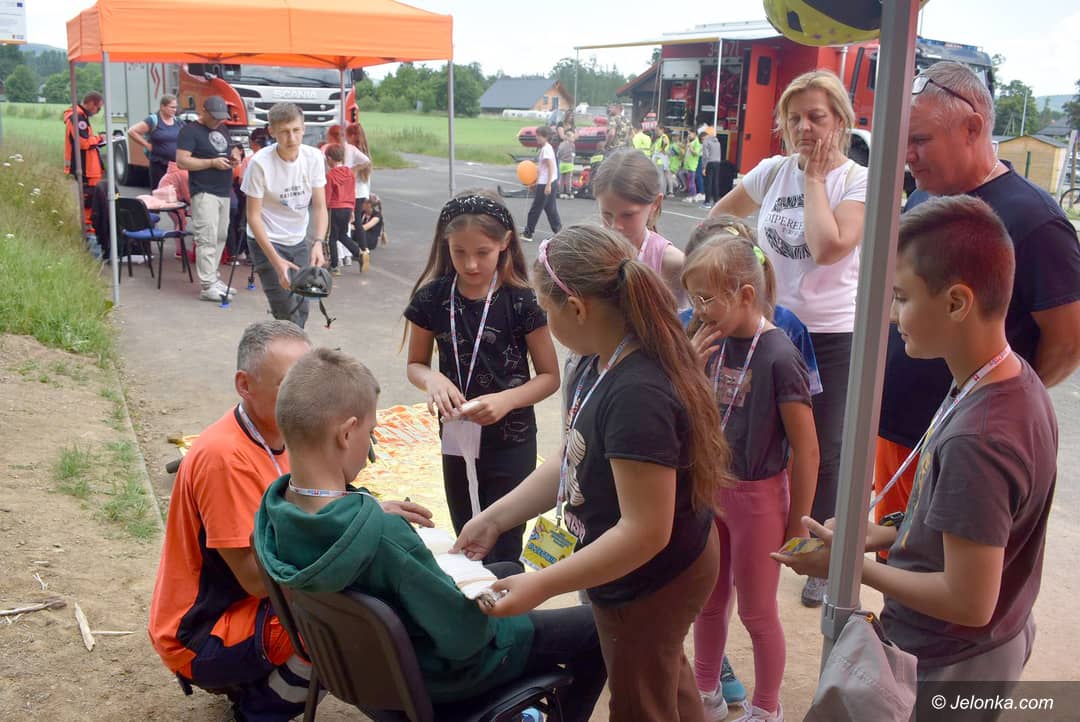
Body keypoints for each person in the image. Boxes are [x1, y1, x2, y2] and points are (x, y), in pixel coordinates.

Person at [775, 195, 1057, 709]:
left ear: (956, 303)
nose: (890, 315)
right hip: (984, 641)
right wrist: (877, 535)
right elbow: (965, 529)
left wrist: (846, 566)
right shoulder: (1002, 376)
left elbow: (969, 601)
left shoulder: (980, 438)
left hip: (951, 660)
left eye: (901, 297)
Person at [453, 225, 732, 721]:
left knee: (640, 701)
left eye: (546, 307)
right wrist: (495, 518)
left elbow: (645, 532)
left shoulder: (637, 393)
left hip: (652, 574)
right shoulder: (597, 362)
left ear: (577, 308)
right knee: (661, 674)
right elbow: (572, 456)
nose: (545, 318)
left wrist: (543, 585)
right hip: (632, 565)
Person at [253, 347, 606, 720]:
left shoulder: (276, 513)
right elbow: (466, 636)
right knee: (595, 627)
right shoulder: (384, 535)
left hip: (367, 671)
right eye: (371, 433)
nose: (370, 445)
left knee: (506, 569)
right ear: (346, 433)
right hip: (440, 678)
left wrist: (369, 508)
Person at [148, 320, 432, 721]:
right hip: (202, 631)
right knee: (339, 624)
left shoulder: (288, 434)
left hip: (245, 607)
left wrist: (370, 512)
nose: (305, 395)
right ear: (244, 385)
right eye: (289, 384)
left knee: (351, 599)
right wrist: (356, 535)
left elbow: (319, 512)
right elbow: (253, 579)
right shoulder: (224, 459)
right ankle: (258, 709)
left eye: (307, 380)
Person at [873, 61, 1080, 540]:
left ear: (972, 127)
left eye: (919, 139)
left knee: (943, 569)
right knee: (899, 557)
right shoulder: (923, 199)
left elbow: (1068, 342)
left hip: (963, 446)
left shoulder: (1035, 221)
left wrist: (990, 407)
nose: (907, 154)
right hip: (900, 432)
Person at [709, 69, 867, 607]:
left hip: (830, 333)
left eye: (816, 117)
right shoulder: (773, 171)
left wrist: (816, 181)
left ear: (840, 120)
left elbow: (828, 247)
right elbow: (716, 221)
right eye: (794, 118)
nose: (804, 128)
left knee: (823, 446)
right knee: (755, 436)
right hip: (770, 329)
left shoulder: (857, 180)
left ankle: (820, 552)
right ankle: (755, 534)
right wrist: (747, 261)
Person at [683, 234, 819, 722]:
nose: (698, 311)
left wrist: (798, 524)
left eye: (706, 299)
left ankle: (766, 708)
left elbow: (807, 449)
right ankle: (706, 693)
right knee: (709, 601)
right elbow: (689, 418)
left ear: (744, 294)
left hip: (759, 500)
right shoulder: (710, 342)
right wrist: (691, 371)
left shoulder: (779, 354)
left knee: (757, 612)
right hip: (712, 491)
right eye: (694, 299)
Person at [404, 191, 560, 567]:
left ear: (505, 243)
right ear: (446, 244)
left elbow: (549, 376)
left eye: (483, 252)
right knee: (467, 534)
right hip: (457, 437)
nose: (471, 264)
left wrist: (507, 400)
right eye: (459, 252)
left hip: (512, 441)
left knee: (503, 543)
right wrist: (432, 380)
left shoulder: (522, 301)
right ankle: (475, 599)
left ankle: (505, 599)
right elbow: (416, 364)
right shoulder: (431, 298)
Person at [242, 102, 328, 329]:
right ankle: (289, 348)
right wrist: (275, 260)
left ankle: (292, 347)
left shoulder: (314, 158)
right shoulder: (259, 163)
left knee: (302, 305)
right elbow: (253, 216)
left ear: (304, 128)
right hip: (266, 239)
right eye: (284, 132)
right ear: (272, 132)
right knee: (286, 310)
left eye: (296, 130)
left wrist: (318, 242)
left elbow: (320, 206)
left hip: (298, 239)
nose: (292, 138)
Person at [592, 147, 687, 308]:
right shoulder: (589, 251)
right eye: (607, 214)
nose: (615, 226)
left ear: (655, 204)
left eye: (628, 215)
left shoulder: (673, 264)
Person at [177, 95, 238, 302]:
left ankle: (213, 277)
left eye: (221, 117)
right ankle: (207, 285)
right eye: (215, 117)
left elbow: (229, 149)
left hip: (223, 190)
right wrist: (211, 163)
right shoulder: (190, 131)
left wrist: (234, 157)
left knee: (220, 235)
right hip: (204, 191)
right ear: (203, 112)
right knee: (207, 237)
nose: (218, 120)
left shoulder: (222, 128)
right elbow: (182, 161)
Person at [64, 91, 106, 231]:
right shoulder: (77, 117)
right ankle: (89, 232)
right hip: (85, 168)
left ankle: (90, 230)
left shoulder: (81, 116)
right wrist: (99, 139)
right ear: (91, 103)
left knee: (92, 200)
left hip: (89, 167)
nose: (98, 111)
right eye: (98, 108)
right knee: (89, 201)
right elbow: (83, 142)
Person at [127, 95, 182, 190]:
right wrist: (147, 145)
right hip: (159, 165)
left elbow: (188, 135)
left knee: (174, 193)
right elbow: (132, 131)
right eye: (172, 107)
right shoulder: (153, 120)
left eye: (175, 107)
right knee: (159, 192)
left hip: (175, 166)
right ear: (163, 107)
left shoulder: (178, 121)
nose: (174, 110)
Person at [323, 143, 360, 276]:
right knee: (342, 235)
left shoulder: (330, 175)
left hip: (335, 207)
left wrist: (324, 209)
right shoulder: (350, 173)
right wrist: (353, 210)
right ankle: (359, 252)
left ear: (329, 158)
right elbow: (353, 192)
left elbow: (328, 195)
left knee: (332, 237)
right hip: (348, 207)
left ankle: (334, 266)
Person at [521, 126, 561, 243]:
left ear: (546, 137)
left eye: (539, 136)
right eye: (537, 135)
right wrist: (535, 183)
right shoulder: (547, 148)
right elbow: (542, 169)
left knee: (535, 209)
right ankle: (559, 232)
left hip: (546, 183)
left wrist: (548, 185)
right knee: (550, 209)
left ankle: (528, 233)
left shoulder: (546, 149)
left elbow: (551, 167)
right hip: (548, 182)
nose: (536, 137)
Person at [344, 123, 375, 261]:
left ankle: (361, 249)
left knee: (352, 220)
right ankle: (363, 248)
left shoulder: (353, 152)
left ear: (351, 136)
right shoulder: (364, 150)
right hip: (362, 192)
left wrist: (354, 169)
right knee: (356, 221)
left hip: (354, 192)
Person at [700, 131, 723, 208]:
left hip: (709, 163)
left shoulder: (706, 142)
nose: (702, 141)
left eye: (701, 139)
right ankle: (716, 201)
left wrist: (704, 167)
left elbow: (705, 155)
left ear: (703, 138)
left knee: (708, 183)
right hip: (717, 162)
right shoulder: (717, 142)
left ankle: (707, 202)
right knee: (715, 182)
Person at [652, 126, 673, 197]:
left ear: (662, 130)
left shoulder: (664, 136)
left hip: (660, 160)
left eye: (658, 130)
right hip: (661, 159)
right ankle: (663, 193)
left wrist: (662, 149)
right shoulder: (660, 137)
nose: (656, 132)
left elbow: (665, 143)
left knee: (661, 177)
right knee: (663, 177)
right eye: (656, 130)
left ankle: (661, 193)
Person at [683, 128, 702, 202]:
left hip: (692, 165)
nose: (688, 135)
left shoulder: (697, 142)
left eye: (690, 134)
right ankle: (693, 196)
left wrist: (690, 147)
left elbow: (696, 153)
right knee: (690, 181)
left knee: (691, 181)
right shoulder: (692, 142)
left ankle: (691, 196)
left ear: (694, 133)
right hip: (689, 164)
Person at [557, 128, 576, 199]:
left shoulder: (561, 144)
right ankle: (568, 192)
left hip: (562, 164)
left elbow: (558, 154)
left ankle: (561, 192)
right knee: (568, 179)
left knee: (562, 179)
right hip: (569, 164)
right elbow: (573, 154)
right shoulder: (572, 145)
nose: (573, 139)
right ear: (568, 137)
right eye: (572, 137)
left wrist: (561, 158)